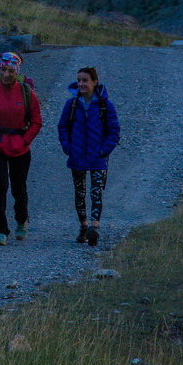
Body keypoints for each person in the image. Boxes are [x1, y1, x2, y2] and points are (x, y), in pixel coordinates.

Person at [0, 51, 42, 244]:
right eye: (3, 70)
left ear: (17, 72)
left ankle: (21, 219)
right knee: (0, 186)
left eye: (11, 70)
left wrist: (25, 140)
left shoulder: (27, 93)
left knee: (19, 187)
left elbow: (36, 121)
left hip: (20, 147)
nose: (6, 74)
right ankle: (0, 230)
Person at [57, 66, 120, 246]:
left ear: (95, 82)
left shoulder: (105, 105)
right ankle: (84, 226)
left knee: (96, 192)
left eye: (85, 80)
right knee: (80, 193)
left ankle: (94, 227)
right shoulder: (72, 104)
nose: (81, 84)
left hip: (98, 159)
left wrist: (104, 150)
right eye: (79, 80)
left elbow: (114, 131)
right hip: (76, 157)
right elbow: (63, 127)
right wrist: (68, 147)